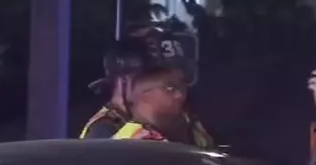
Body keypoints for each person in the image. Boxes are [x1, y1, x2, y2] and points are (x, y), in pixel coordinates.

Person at [79, 28, 217, 149]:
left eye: (181, 83)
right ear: (124, 83)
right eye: (169, 87)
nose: (180, 95)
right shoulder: (103, 133)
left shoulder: (184, 121)